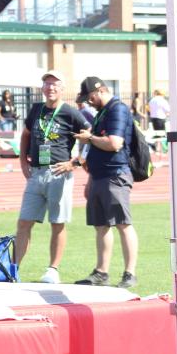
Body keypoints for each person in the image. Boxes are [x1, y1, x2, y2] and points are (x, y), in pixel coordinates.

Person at [14, 71, 90, 284]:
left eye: (55, 85)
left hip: (59, 172)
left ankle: (53, 269)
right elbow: (26, 135)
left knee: (57, 222)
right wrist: (22, 160)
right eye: (47, 84)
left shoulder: (70, 113)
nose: (51, 88)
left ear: (62, 89)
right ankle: (14, 268)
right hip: (36, 172)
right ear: (42, 88)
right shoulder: (36, 109)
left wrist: (75, 162)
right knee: (23, 222)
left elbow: (90, 137)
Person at [73, 76, 138, 289]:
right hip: (100, 174)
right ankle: (101, 272)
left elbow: (114, 143)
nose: (88, 101)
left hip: (115, 174)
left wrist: (89, 138)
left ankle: (130, 273)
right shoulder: (103, 111)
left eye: (90, 97)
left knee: (123, 224)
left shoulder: (117, 109)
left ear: (100, 90)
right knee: (101, 226)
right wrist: (91, 178)